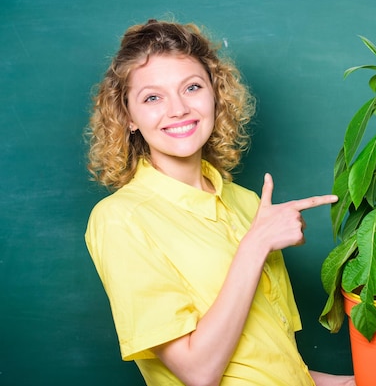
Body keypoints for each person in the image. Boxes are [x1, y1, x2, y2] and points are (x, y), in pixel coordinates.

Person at [84, 19, 355, 386]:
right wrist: (256, 244)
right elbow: (198, 372)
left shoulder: (247, 204)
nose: (178, 109)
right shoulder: (120, 219)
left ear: (215, 95)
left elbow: (267, 365)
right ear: (128, 116)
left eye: (192, 87)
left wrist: (354, 382)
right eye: (152, 97)